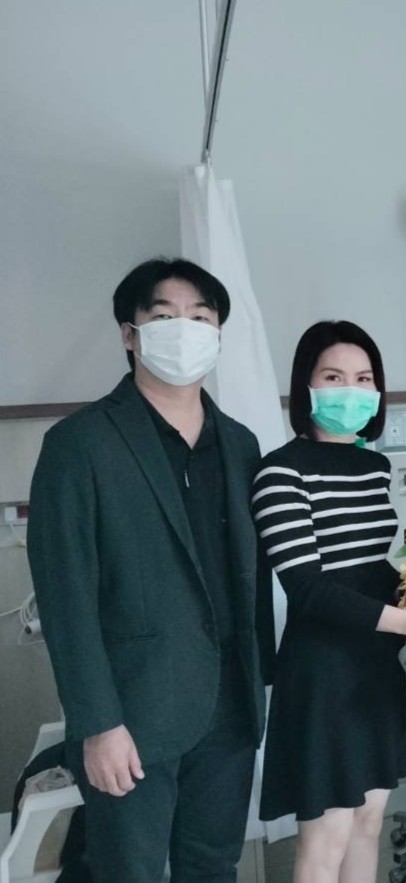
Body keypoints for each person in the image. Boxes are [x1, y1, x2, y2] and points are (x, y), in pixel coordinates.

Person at [27, 258, 269, 883]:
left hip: (230, 705)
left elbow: (251, 579)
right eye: (164, 316)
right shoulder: (80, 444)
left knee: (212, 867)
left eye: (200, 317)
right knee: (125, 872)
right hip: (132, 714)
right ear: (130, 334)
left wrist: (262, 684)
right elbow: (65, 598)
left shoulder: (240, 444)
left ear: (218, 335)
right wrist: (97, 724)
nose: (184, 329)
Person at [251, 321, 406, 883]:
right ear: (305, 386)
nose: (350, 390)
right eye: (333, 377)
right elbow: (307, 587)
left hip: (378, 661)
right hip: (324, 671)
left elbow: (371, 568)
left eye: (363, 378)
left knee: (369, 821)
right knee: (325, 837)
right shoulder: (279, 471)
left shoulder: (373, 467)